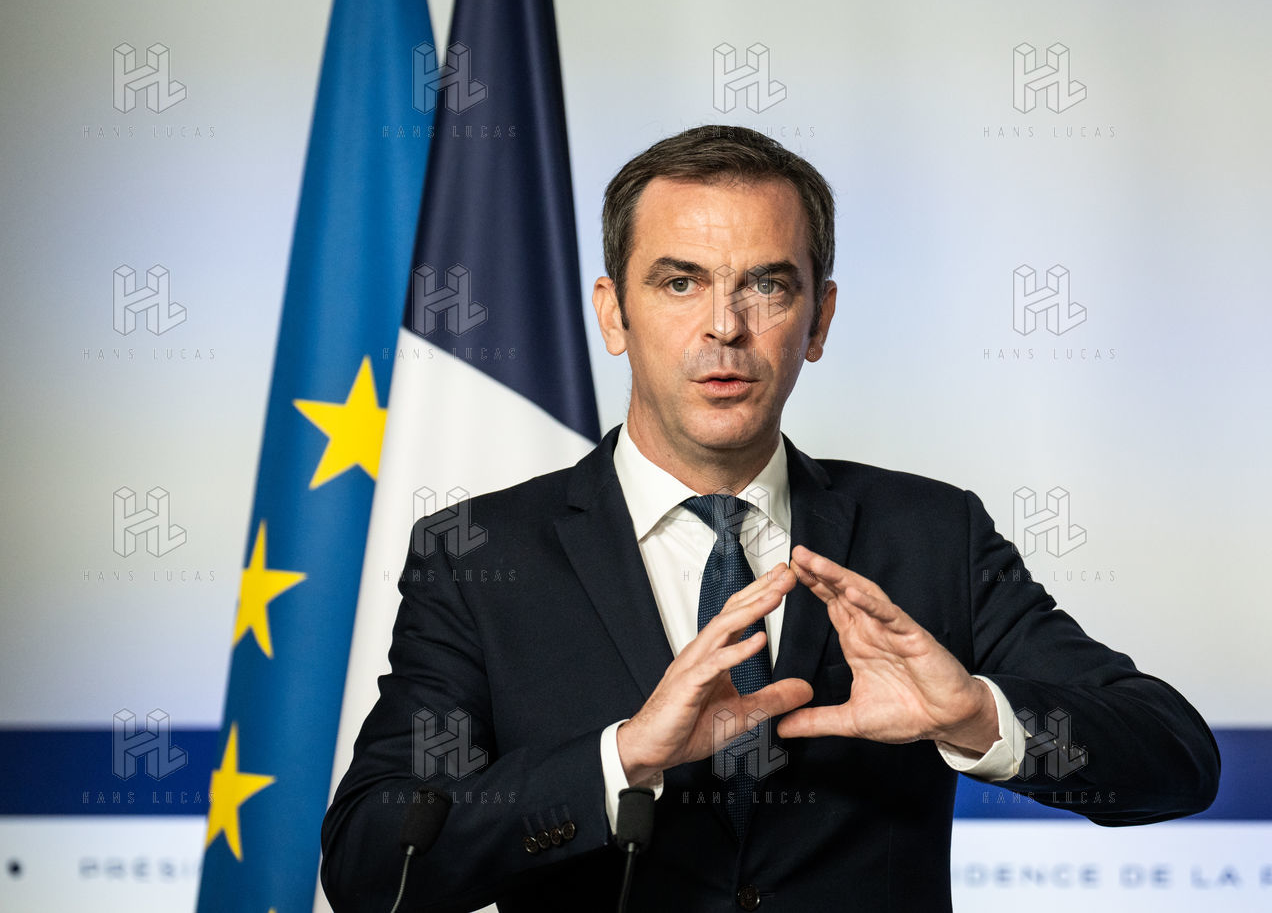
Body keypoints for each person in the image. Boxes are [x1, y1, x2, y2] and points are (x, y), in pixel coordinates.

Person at [321, 125, 1219, 912]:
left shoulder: (931, 535)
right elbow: (369, 864)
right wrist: (621, 759)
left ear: (818, 320)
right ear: (613, 313)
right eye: (680, 282)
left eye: (767, 286)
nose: (725, 326)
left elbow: (1176, 755)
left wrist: (978, 717)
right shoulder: (478, 556)